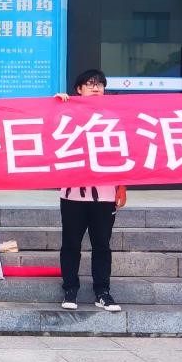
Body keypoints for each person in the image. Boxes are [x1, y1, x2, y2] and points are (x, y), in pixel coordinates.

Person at [54, 69, 126, 311]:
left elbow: (121, 153)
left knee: (102, 244)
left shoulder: (113, 116)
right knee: (71, 244)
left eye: (100, 84)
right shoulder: (66, 113)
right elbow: (50, 133)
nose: (96, 88)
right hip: (72, 193)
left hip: (105, 193)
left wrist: (122, 186)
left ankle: (102, 292)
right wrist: (57, 106)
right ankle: (70, 289)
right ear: (79, 89)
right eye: (90, 84)